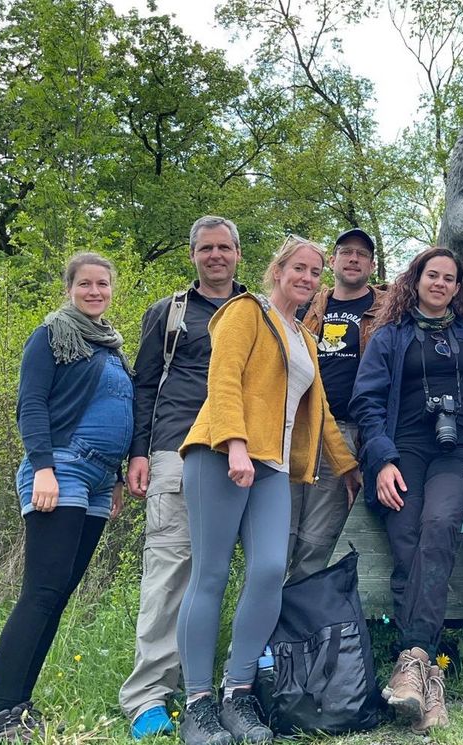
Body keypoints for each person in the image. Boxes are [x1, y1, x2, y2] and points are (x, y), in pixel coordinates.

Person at [175, 237, 360, 745]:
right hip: (219, 454)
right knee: (210, 574)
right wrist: (235, 443)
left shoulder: (303, 335)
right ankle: (197, 704)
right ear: (277, 271)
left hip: (273, 468)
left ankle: (238, 693)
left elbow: (318, 413)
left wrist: (347, 467)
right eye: (299, 267)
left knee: (268, 571)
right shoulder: (245, 311)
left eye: (316, 272)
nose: (308, 277)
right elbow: (224, 378)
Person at [0, 253, 131, 745]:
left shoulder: (109, 345)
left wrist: (117, 479)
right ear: (69, 289)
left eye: (102, 284)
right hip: (60, 468)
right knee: (41, 593)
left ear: (111, 290)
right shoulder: (51, 336)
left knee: (58, 596)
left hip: (97, 479)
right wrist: (42, 466)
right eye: (84, 284)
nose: (94, 291)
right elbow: (32, 402)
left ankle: (19, 712)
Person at [350, 247, 463, 735]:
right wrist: (382, 460)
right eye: (433, 275)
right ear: (417, 279)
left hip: (459, 452)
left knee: (439, 523)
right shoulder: (389, 337)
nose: (441, 284)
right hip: (403, 447)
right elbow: (366, 401)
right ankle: (429, 678)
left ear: (457, 288)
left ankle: (410, 662)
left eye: (450, 279)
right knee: (408, 539)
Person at [119, 215, 246, 739]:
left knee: (238, 571)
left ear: (239, 254)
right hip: (175, 448)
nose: (215, 256)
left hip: (243, 455)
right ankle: (148, 695)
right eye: (206, 248)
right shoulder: (168, 313)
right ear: (193, 255)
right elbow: (143, 384)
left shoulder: (254, 311)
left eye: (224, 247)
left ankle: (234, 683)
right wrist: (138, 453)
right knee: (170, 568)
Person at [288, 227, 386, 581]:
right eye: (346, 251)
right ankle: (264, 622)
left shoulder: (387, 309)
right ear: (333, 260)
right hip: (297, 426)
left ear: (372, 265)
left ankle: (299, 625)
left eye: (362, 254)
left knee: (317, 537)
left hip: (345, 432)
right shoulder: (306, 305)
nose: (354, 258)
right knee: (280, 531)